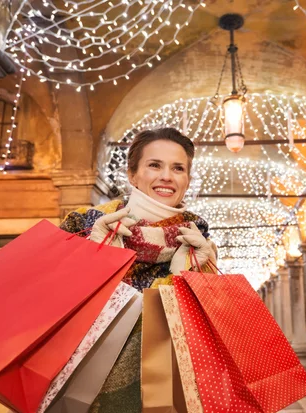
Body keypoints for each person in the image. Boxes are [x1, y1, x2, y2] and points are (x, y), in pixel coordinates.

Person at [60, 127, 217, 412]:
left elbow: (209, 328)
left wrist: (196, 274)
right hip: (86, 389)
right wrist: (93, 257)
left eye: (178, 168)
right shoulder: (84, 226)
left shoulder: (198, 240)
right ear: (132, 174)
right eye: (154, 165)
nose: (167, 176)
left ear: (187, 179)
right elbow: (53, 305)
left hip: (169, 387)